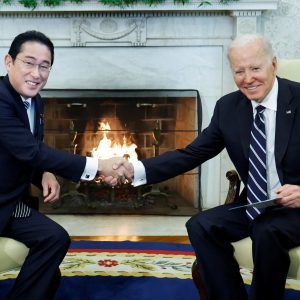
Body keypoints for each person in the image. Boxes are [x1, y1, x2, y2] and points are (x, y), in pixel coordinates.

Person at [109, 34, 300, 300]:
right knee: (200, 224)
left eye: (255, 68)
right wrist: (134, 169)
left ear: (274, 64)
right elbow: (193, 153)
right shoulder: (228, 108)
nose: (248, 78)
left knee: (266, 231)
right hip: (256, 203)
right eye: (239, 71)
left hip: (295, 207)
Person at [0, 30, 128, 300]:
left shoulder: (34, 100)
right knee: (48, 266)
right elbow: (31, 150)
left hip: (11, 202)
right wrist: (99, 166)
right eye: (28, 62)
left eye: (44, 66)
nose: (36, 73)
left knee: (55, 240)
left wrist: (44, 173)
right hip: (4, 202)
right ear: (8, 62)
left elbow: (20, 150)